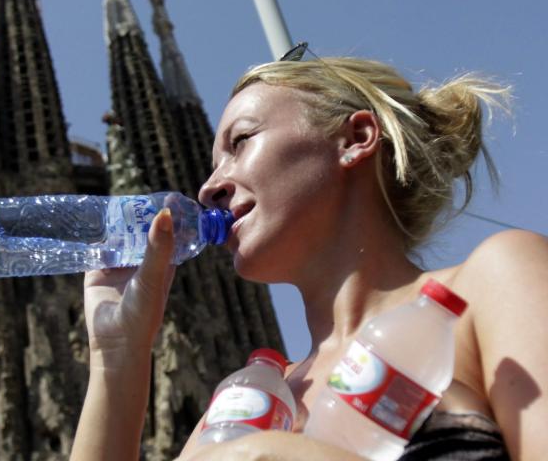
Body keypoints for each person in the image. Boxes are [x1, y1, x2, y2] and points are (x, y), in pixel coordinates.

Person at [70, 56, 548, 460]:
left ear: (356, 138)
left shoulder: (488, 284)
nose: (208, 188)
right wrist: (117, 355)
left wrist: (278, 453)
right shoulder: (256, 395)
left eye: (240, 142)